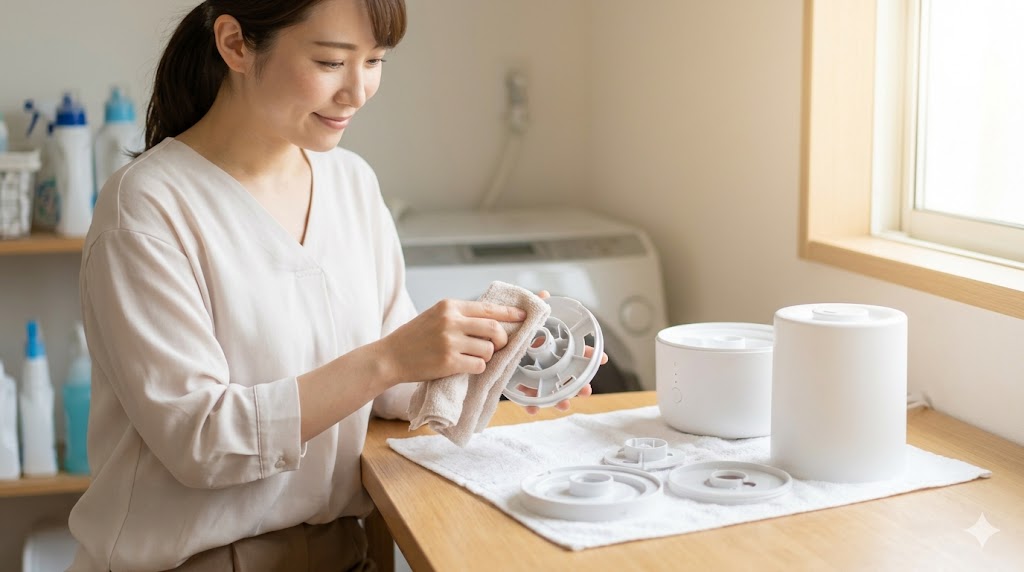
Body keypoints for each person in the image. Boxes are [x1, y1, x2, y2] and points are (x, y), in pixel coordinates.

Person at [67, 1, 601, 570]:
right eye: (330, 62)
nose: (358, 91)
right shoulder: (147, 208)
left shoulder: (352, 183)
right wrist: (389, 360)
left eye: (375, 61)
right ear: (236, 45)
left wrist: (501, 369)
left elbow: (396, 391)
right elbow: (200, 442)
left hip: (346, 554)